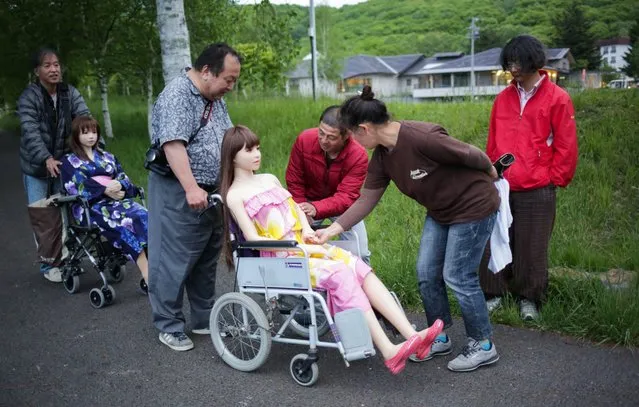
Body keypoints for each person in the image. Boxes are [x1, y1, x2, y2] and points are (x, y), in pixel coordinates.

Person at [220, 125, 444, 375]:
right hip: (282, 257)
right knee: (341, 274)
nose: (257, 154)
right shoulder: (234, 195)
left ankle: (412, 335)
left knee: (358, 266)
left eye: (258, 148)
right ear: (232, 156)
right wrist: (292, 245)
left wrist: (305, 230)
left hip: (304, 246)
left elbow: (295, 208)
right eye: (249, 150)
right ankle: (389, 350)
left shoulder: (269, 179)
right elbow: (252, 238)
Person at [316, 86, 501, 373]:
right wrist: (333, 230)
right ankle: (438, 335)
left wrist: (491, 174)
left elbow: (471, 153)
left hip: (474, 206)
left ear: (364, 129)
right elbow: (367, 198)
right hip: (441, 212)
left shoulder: (421, 137)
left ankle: (483, 343)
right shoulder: (382, 157)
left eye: (352, 134)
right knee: (427, 273)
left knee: (458, 275)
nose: (352, 140)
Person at [148, 43, 241, 352]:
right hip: (179, 189)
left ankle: (203, 318)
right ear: (205, 71)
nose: (231, 86)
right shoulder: (177, 95)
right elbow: (173, 144)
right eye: (228, 79)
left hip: (212, 190)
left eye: (234, 80)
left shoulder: (214, 98)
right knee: (174, 257)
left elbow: (225, 137)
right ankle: (169, 324)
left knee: (206, 256)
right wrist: (190, 187)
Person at [478, 35, 578, 321]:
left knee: (532, 245)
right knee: (496, 240)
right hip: (503, 183)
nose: (512, 67)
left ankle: (529, 300)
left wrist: (553, 178)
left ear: (533, 61)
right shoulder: (503, 98)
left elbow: (566, 145)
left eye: (517, 61)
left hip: (538, 186)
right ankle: (494, 293)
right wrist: (491, 173)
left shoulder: (558, 98)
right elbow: (493, 140)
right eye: (509, 62)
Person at [18, 47, 90, 282]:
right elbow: (30, 132)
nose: (54, 69)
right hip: (37, 166)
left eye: (57, 64)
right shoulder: (30, 97)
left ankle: (67, 259)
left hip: (63, 163)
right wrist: (45, 158)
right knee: (43, 215)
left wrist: (94, 148)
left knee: (67, 211)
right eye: (47, 65)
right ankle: (49, 266)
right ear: (37, 70)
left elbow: (84, 120)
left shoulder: (70, 93)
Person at [60, 116, 148, 287]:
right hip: (91, 207)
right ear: (76, 135)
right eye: (85, 133)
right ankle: (146, 271)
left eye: (94, 132)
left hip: (116, 201)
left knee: (143, 215)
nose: (91, 136)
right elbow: (76, 185)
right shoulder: (69, 161)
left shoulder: (107, 157)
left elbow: (122, 176)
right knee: (123, 224)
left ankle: (156, 264)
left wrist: (120, 185)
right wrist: (104, 191)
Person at [285, 105, 371, 264]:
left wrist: (317, 208)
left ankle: (362, 285)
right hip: (307, 202)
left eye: (331, 137)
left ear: (346, 135)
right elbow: (294, 180)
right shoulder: (304, 140)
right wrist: (301, 208)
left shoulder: (358, 155)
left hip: (342, 206)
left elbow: (346, 197)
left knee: (362, 252)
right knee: (294, 246)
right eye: (321, 133)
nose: (324, 140)